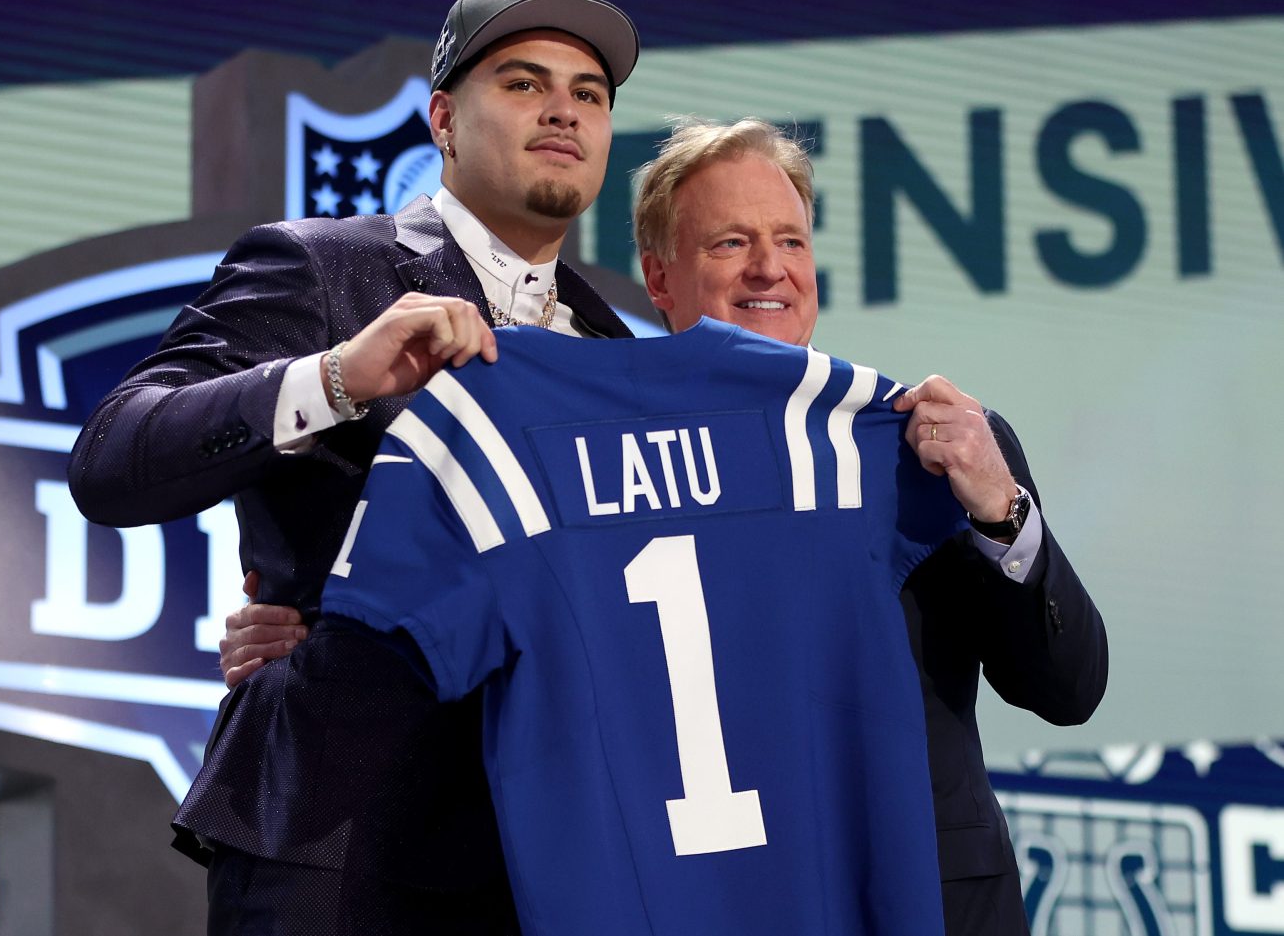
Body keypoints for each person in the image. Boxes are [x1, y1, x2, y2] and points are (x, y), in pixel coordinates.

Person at [223, 119, 1109, 935]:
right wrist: (311, 653)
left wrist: (1002, 511)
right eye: (732, 243)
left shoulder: (919, 440)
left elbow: (1070, 689)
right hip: (683, 899)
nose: (770, 268)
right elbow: (458, 649)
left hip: (912, 895)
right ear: (658, 277)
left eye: (790, 241)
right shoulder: (567, 455)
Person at [67, 0, 640, 935]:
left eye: (589, 93)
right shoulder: (322, 264)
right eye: (524, 82)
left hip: (553, 855)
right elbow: (115, 454)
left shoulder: (615, 350)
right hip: (341, 840)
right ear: (444, 121)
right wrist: (336, 377)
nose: (562, 110)